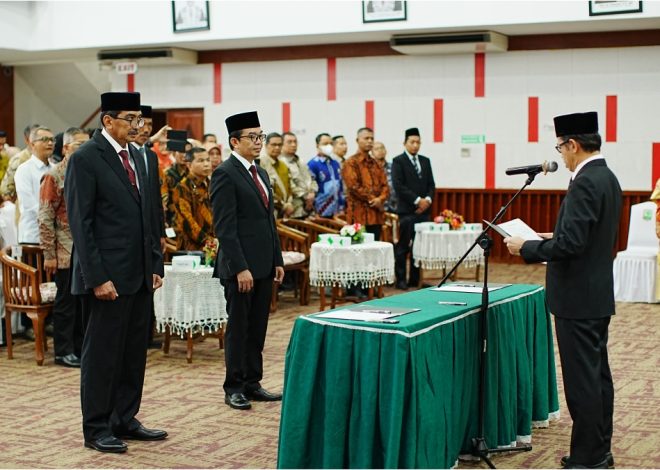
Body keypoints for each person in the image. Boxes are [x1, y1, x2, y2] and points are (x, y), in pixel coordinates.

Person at [504, 111, 621, 470]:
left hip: (578, 299)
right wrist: (549, 239)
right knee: (597, 377)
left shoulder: (585, 181)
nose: (561, 154)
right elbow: (587, 237)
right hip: (595, 294)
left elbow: (571, 245)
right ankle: (598, 449)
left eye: (560, 146)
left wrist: (525, 247)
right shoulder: (608, 177)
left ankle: (588, 458)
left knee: (583, 382)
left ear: (572, 144)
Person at [65, 92, 166, 453]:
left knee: (132, 351)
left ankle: (125, 417)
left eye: (140, 119)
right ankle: (96, 426)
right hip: (106, 276)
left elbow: (150, 216)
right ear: (108, 120)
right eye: (131, 119)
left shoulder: (140, 157)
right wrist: (97, 277)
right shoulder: (86, 158)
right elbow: (82, 223)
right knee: (103, 354)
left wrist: (155, 263)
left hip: (139, 273)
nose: (138, 126)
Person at [210, 111, 284, 411]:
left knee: (258, 327)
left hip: (264, 264)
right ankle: (235, 386)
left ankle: (253, 382)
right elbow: (224, 227)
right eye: (252, 137)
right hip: (240, 267)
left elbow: (269, 221)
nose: (258, 142)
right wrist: (240, 267)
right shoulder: (225, 173)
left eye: (260, 136)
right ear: (234, 141)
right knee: (239, 328)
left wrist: (277, 258)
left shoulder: (261, 172)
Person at [38, 127, 89, 368]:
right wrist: (49, 254)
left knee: (83, 304)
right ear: (66, 148)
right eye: (79, 145)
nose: (85, 149)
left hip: (86, 248)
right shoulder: (55, 175)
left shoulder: (87, 172)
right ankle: (63, 351)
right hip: (64, 251)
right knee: (66, 303)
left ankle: (80, 348)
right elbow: (45, 217)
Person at [391, 128, 436, 290]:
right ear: (405, 143)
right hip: (407, 212)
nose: (415, 145)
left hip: (424, 212)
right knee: (403, 247)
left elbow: (431, 185)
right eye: (412, 142)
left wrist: (427, 200)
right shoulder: (398, 161)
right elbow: (398, 186)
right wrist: (418, 201)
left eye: (418, 142)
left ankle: (415, 279)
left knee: (419, 246)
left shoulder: (425, 161)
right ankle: (401, 279)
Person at [341, 127, 389, 240]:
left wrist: (380, 199)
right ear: (357, 140)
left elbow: (385, 185)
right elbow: (353, 186)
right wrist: (373, 199)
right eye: (366, 138)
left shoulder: (376, 163)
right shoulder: (351, 162)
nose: (369, 141)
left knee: (374, 248)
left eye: (372, 139)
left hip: (375, 215)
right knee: (357, 249)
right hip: (358, 215)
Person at [15, 126, 54, 244]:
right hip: (33, 236)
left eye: (52, 140)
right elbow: (29, 205)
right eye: (45, 139)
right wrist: (53, 217)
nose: (50, 143)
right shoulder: (24, 169)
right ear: (32, 144)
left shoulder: (55, 168)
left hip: (54, 236)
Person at [172, 147, 214, 251]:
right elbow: (187, 222)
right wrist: (208, 240)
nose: (206, 164)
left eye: (208, 160)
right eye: (201, 161)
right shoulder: (182, 187)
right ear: (189, 165)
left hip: (214, 244)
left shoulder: (211, 185)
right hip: (191, 248)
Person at [280, 131, 317, 218]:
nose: (293, 145)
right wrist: (306, 196)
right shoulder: (281, 163)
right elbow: (289, 185)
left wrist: (312, 193)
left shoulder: (301, 161)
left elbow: (312, 178)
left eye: (295, 142)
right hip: (294, 208)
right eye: (289, 142)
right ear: (281, 144)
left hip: (310, 206)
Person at [308, 132, 345, 218]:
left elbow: (341, 187)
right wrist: (313, 211)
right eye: (325, 144)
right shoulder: (313, 164)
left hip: (336, 211)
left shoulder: (335, 163)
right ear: (317, 146)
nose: (329, 146)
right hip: (320, 211)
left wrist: (342, 207)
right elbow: (311, 190)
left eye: (330, 143)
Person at [260, 132, 294, 218]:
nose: (277, 148)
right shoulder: (260, 164)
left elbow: (290, 187)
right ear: (266, 145)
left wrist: (289, 203)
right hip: (269, 211)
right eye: (274, 144)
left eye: (280, 145)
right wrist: (283, 205)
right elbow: (264, 190)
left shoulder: (284, 165)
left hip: (286, 212)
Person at [372, 140, 397, 212]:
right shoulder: (370, 170)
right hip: (377, 208)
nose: (380, 150)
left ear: (386, 151)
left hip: (394, 206)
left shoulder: (394, 167)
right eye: (376, 149)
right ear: (372, 153)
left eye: (382, 148)